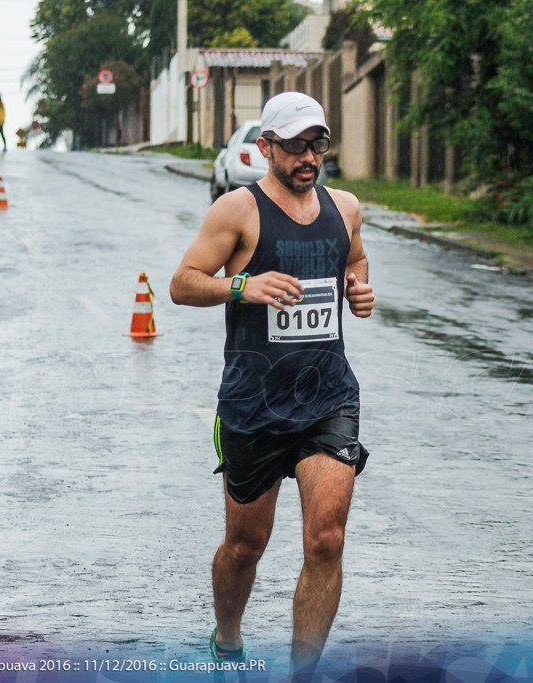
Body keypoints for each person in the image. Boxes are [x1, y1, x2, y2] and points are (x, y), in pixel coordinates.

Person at [170, 92, 375, 677]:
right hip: (253, 401)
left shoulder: (346, 207)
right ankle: (228, 636)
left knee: (327, 540)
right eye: (294, 145)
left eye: (319, 144)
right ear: (266, 148)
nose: (309, 157)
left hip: (328, 396)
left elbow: (355, 261)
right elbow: (182, 284)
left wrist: (359, 290)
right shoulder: (239, 210)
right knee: (245, 547)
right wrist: (242, 288)